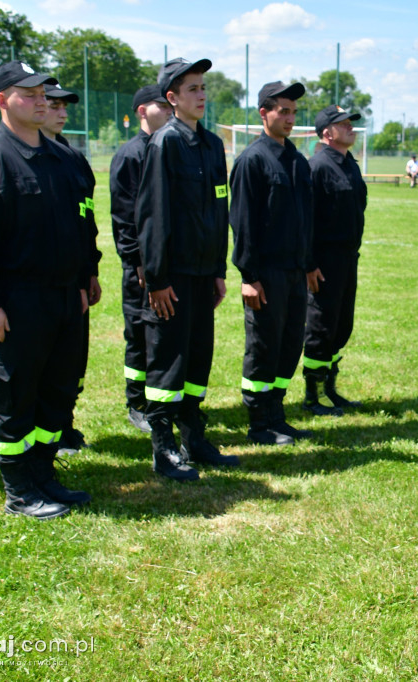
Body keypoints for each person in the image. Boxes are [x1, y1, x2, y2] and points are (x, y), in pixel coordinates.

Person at [0, 61, 100, 519]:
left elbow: (79, 226)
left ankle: (43, 475)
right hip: (15, 303)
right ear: (2, 101)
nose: (41, 100)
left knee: (55, 393)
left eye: (43, 92)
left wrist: (80, 280)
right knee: (15, 396)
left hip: (62, 297)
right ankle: (19, 490)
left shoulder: (60, 158)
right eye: (28, 93)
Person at [134, 58, 239, 478]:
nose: (201, 95)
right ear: (172, 98)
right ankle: (163, 449)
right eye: (191, 89)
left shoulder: (212, 145)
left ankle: (194, 437)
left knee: (197, 359)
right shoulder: (166, 143)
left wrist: (218, 270)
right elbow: (152, 215)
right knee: (168, 360)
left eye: (203, 87)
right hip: (173, 277)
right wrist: (157, 279)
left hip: (202, 274)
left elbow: (218, 210)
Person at [229, 81, 318, 446]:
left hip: (296, 273)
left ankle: (277, 414)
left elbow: (306, 219)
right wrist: (249, 276)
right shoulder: (252, 160)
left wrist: (309, 264)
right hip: (266, 275)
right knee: (264, 346)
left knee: (289, 344)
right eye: (283, 111)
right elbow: (243, 222)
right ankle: (258, 422)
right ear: (263, 113)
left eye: (294, 112)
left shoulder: (297, 160)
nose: (290, 118)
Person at [39, 83, 102, 456]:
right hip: (42, 282)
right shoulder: (25, 156)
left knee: (72, 358)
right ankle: (46, 430)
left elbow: (86, 219)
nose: (62, 112)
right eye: (53, 104)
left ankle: (64, 422)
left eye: (65, 106)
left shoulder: (73, 158)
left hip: (75, 277)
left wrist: (89, 271)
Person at [109, 85, 172, 435]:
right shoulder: (131, 154)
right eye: (159, 105)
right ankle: (137, 403)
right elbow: (125, 217)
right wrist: (137, 263)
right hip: (141, 269)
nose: (167, 110)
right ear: (141, 112)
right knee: (139, 332)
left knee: (161, 335)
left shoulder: (171, 147)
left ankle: (161, 401)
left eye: (168, 104)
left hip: (166, 266)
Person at [302, 105, 367, 416]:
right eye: (343, 124)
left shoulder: (349, 164)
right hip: (323, 261)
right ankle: (311, 395)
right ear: (327, 133)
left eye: (351, 123)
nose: (350, 128)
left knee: (341, 324)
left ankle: (330, 388)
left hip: (347, 258)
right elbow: (305, 220)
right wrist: (309, 263)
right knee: (320, 325)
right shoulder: (317, 166)